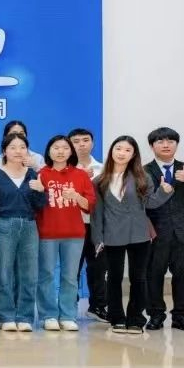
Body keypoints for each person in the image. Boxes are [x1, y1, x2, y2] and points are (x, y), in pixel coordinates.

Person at [92, 135, 173, 334]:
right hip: (112, 235)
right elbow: (97, 213)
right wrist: (98, 238)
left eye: (128, 150)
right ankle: (117, 317)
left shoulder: (142, 177)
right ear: (112, 151)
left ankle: (136, 318)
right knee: (114, 278)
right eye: (118, 148)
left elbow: (151, 203)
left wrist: (164, 191)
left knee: (139, 278)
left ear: (133, 154)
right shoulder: (99, 180)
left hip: (139, 234)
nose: (122, 153)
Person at [144, 127, 184, 332]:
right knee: (154, 275)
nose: (166, 145)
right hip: (156, 233)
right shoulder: (143, 171)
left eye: (170, 141)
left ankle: (181, 317)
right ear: (152, 146)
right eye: (160, 141)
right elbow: (142, 202)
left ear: (176, 145)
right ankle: (155, 315)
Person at [0, 133, 48, 331]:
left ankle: (25, 317)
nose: (18, 151)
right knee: (3, 272)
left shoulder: (32, 174)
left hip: (29, 226)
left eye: (22, 147)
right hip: (2, 225)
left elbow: (40, 206)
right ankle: (6, 317)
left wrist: (41, 190)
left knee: (29, 274)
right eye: (12, 147)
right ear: (4, 151)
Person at [35, 135, 96, 331]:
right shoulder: (41, 174)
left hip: (74, 234)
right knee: (46, 275)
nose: (60, 151)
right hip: (46, 233)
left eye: (65, 147)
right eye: (56, 147)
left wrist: (76, 196)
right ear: (49, 151)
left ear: (71, 151)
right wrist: (38, 191)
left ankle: (68, 315)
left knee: (70, 277)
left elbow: (89, 206)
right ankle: (48, 315)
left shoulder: (80, 175)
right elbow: (34, 205)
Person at [68, 127, 107, 321]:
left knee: (98, 267)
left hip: (96, 226)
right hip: (72, 225)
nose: (81, 145)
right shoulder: (64, 170)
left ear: (92, 143)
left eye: (85, 140)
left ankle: (98, 306)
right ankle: (68, 308)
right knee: (71, 269)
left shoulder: (104, 169)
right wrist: (79, 177)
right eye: (75, 141)